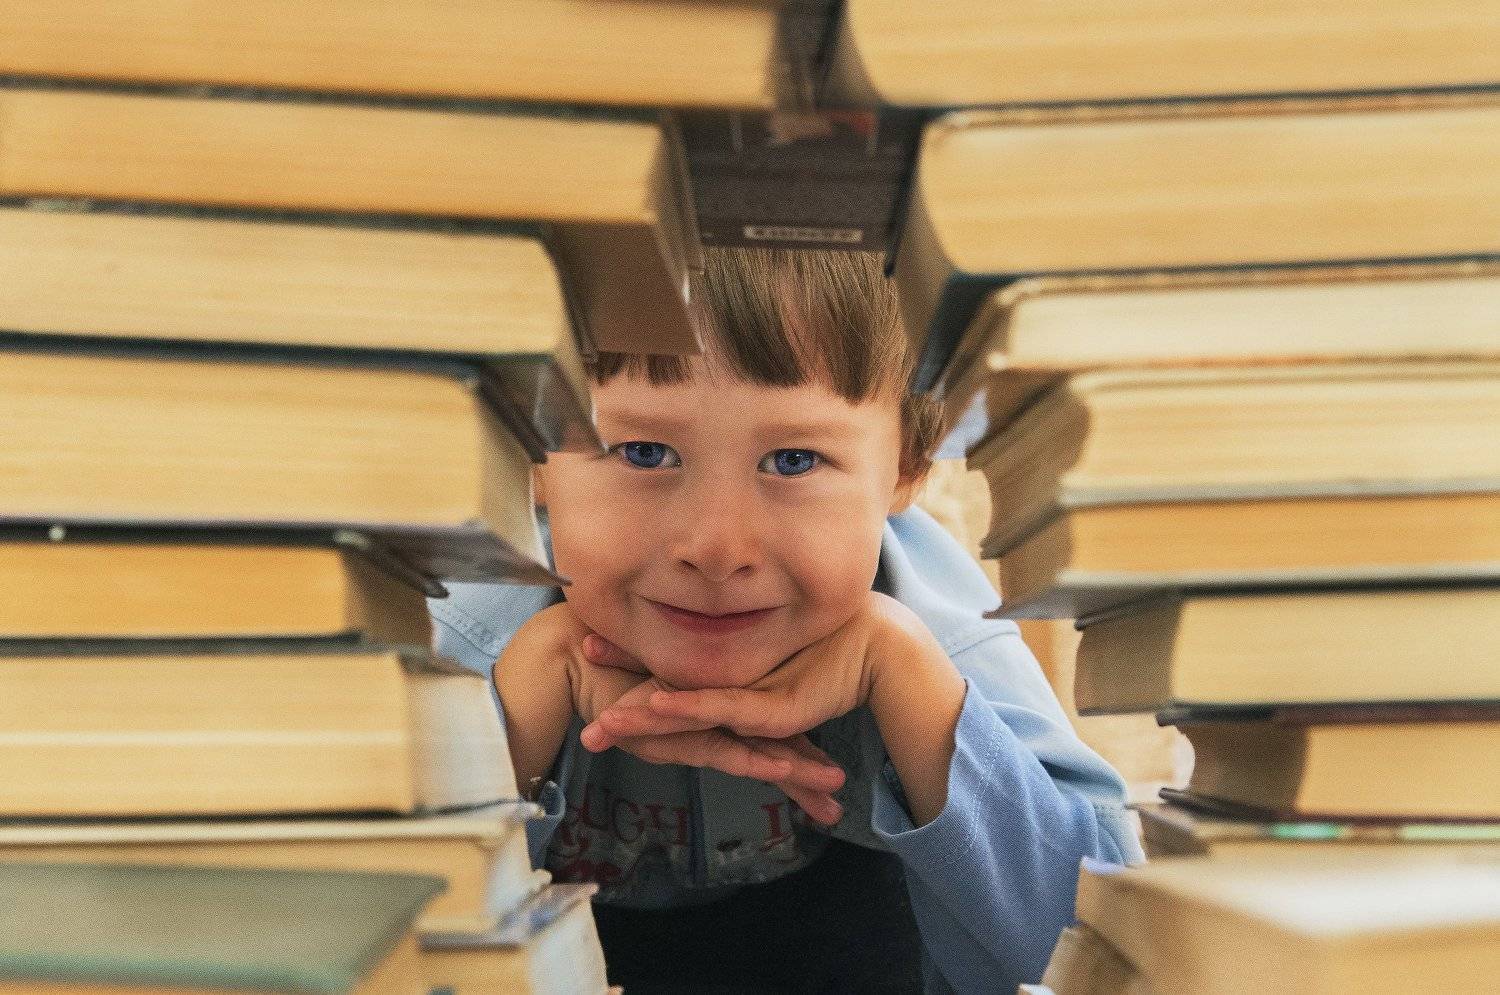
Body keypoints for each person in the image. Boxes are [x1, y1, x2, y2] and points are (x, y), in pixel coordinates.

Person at [431, 248, 1142, 994]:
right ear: (531, 454)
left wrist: (913, 691)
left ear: (906, 468)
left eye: (794, 460)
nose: (717, 548)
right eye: (644, 452)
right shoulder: (474, 613)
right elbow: (386, 931)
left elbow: (1110, 950)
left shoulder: (930, 626)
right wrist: (522, 710)